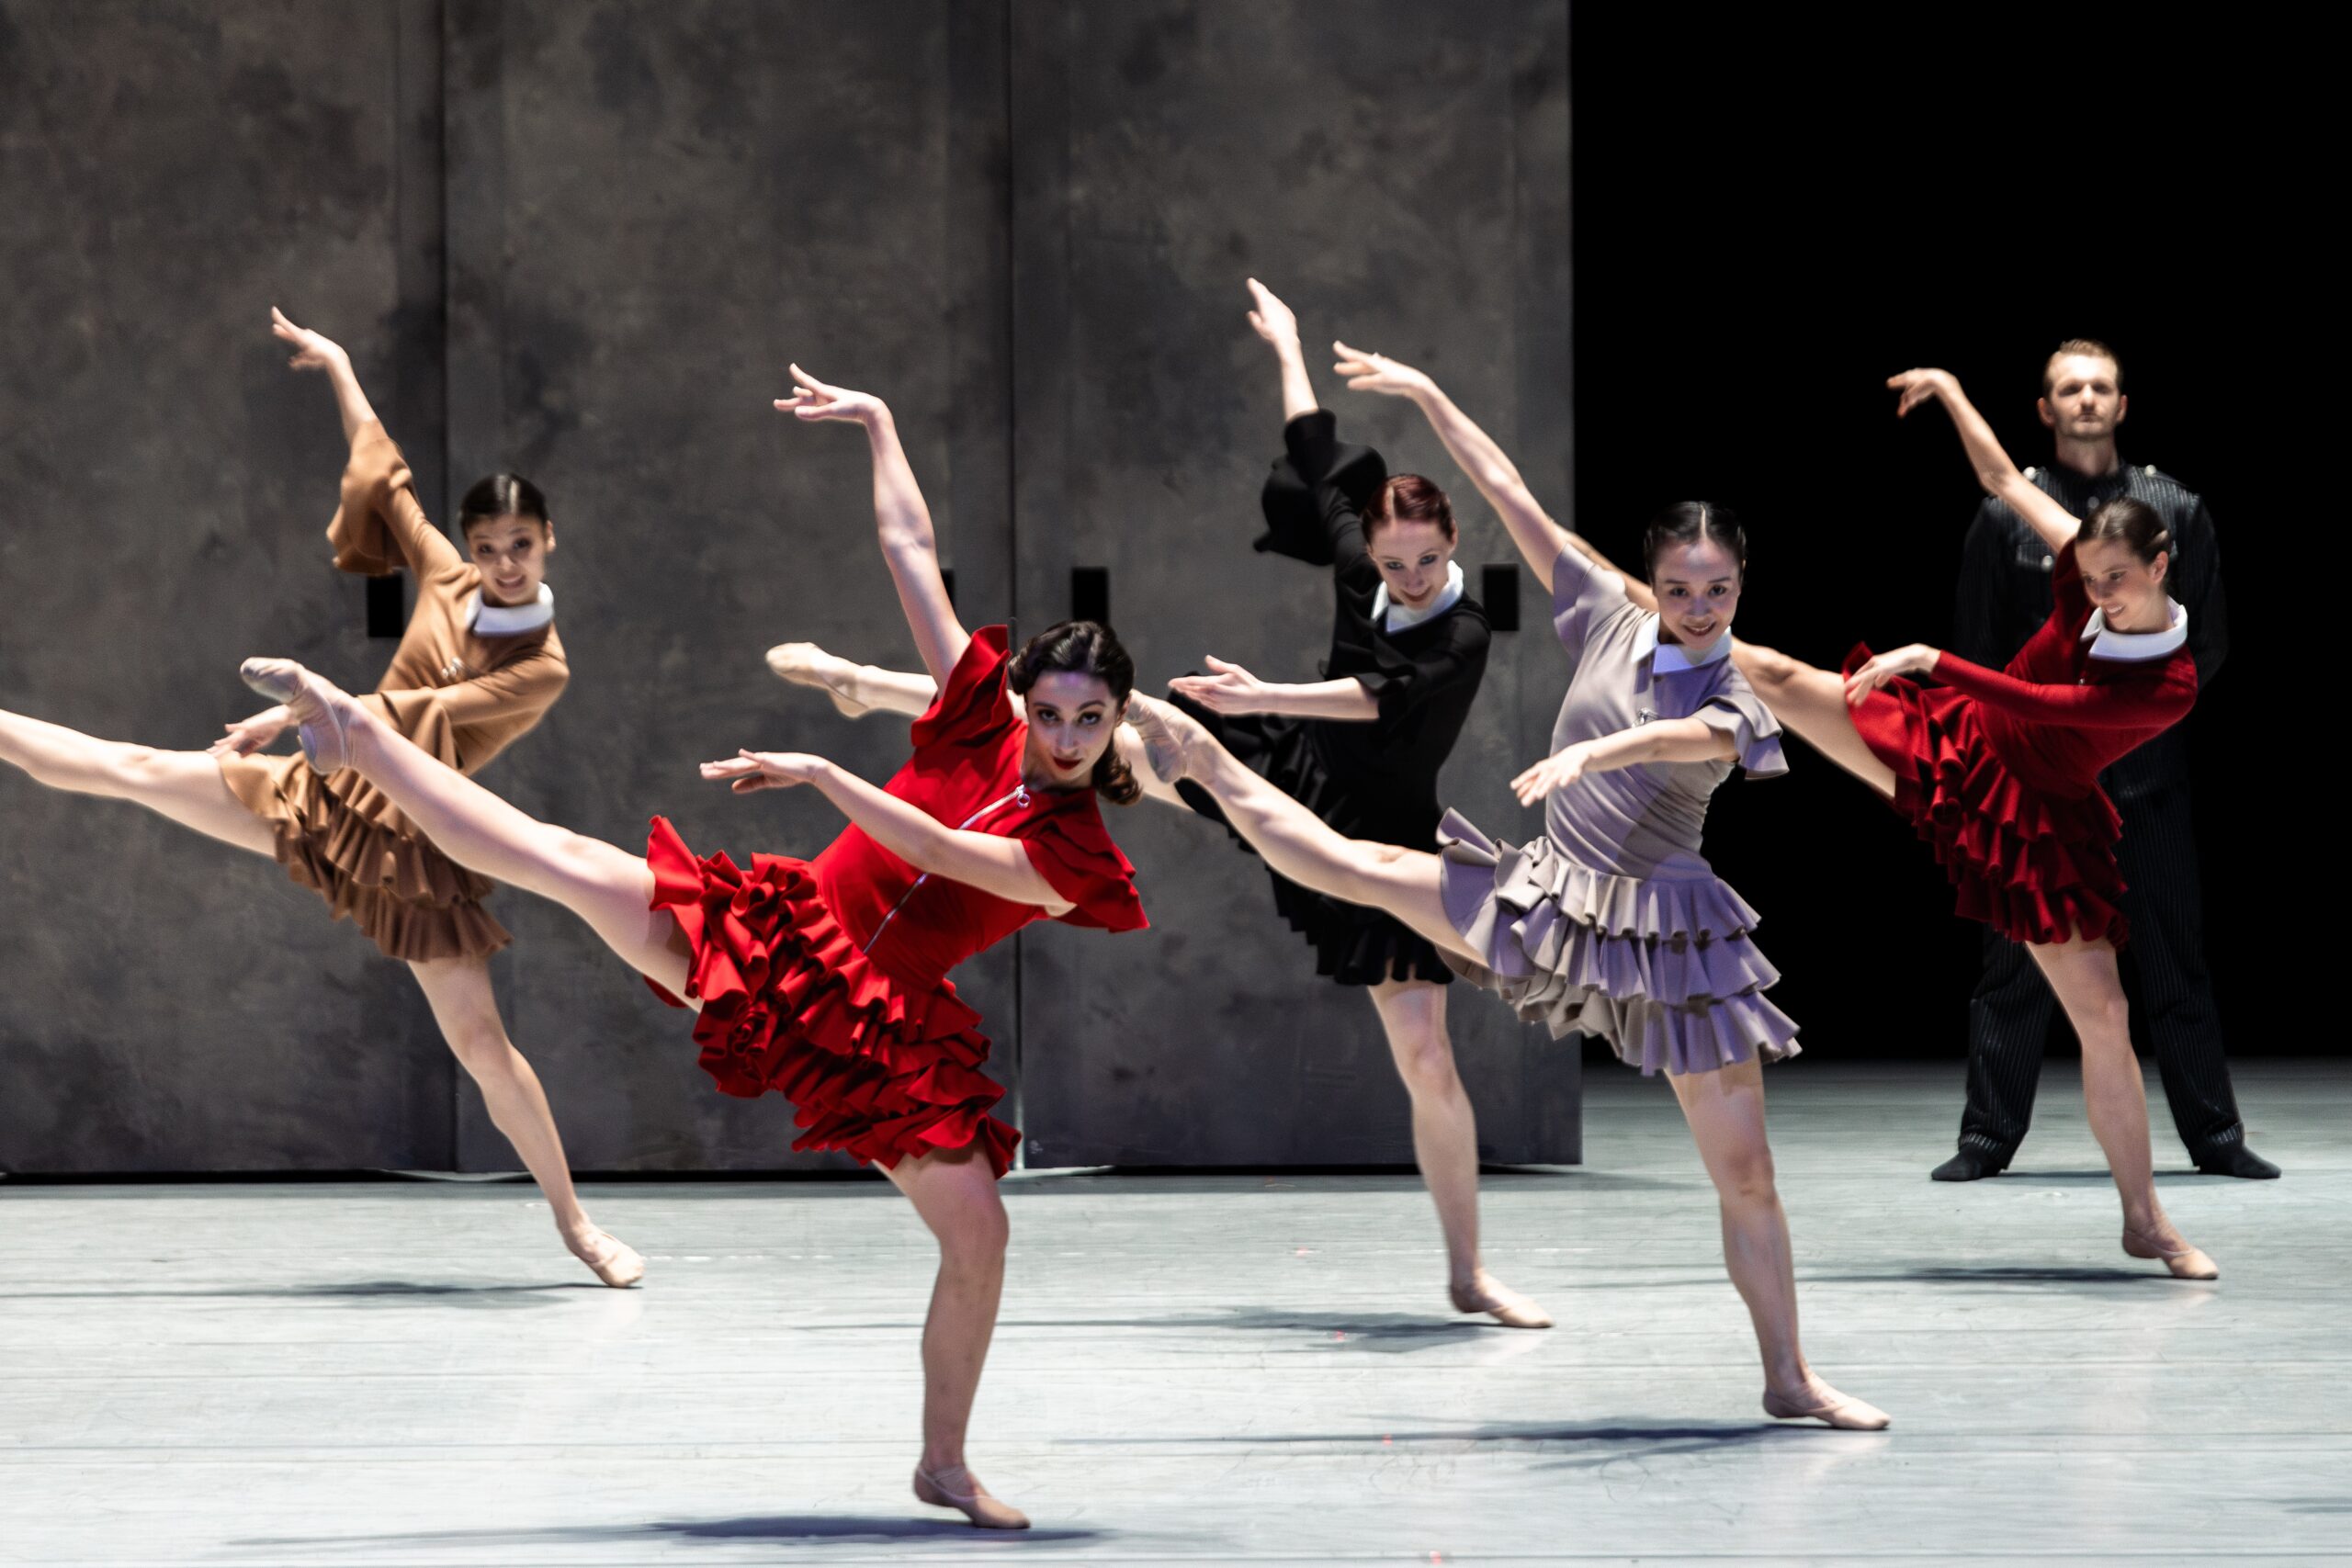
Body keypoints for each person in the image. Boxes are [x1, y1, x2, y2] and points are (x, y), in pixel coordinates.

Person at [236, 365, 1149, 1529]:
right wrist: (879, 425)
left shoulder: (1082, 857)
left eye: (1090, 720)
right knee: (562, 860)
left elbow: (944, 853)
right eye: (1053, 712)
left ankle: (942, 1464)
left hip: (881, 1028)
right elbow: (911, 551)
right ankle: (357, 733)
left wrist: (824, 772)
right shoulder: (980, 709)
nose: (1065, 738)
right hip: (773, 938)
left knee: (980, 1236)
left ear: (1116, 723)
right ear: (1025, 697)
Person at [1119, 344, 1886, 1428]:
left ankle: (1787, 1377)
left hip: (1668, 934)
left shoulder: (1738, 689)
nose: (1698, 606)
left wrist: (1597, 752)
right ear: (1651, 580)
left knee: (1746, 1174)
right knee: (1357, 865)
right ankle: (1206, 761)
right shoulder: (1604, 612)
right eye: (1679, 588)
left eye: (1717, 590)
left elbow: (1692, 738)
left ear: (1740, 586)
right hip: (1551, 898)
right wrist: (1431, 395)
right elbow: (1505, 489)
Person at [772, 280, 1547, 1330]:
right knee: (1104, 723)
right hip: (1285, 771)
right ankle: (869, 682)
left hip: (1378, 830)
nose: (1408, 576)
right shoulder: (1356, 554)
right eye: (1392, 560)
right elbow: (1313, 442)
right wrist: (1286, 345)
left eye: (1428, 560)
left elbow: (1378, 699)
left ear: (1453, 546)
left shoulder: (1462, 632)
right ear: (1370, 546)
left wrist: (1261, 696)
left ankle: (1466, 1273)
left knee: (1426, 1058)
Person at [0, 309, 640, 1288]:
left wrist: (299, 708)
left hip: (415, 841)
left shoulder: (542, 667)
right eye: (488, 545)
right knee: (129, 769)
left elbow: (419, 717)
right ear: (472, 546)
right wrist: (340, 365)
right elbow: (383, 472)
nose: (505, 561)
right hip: (318, 791)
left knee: (481, 1044)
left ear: (549, 541)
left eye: (522, 543)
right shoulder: (446, 578)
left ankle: (576, 1226)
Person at [1728, 367, 2217, 1280]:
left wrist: (1932, 657)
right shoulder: (2088, 560)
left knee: (2105, 1016)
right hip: (1954, 745)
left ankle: (2144, 1220)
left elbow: (2050, 705)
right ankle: (1612, 598)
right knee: (1778, 675)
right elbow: (1998, 477)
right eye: (2087, 577)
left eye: (2115, 580)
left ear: (2160, 568)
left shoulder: (2171, 684)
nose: (2099, 592)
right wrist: (1952, 391)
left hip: (2040, 817)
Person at [1938, 340, 2268, 1182]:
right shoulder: (2007, 516)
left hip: (2143, 772)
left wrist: (2126, 725)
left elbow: (2207, 639)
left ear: (2122, 404)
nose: (2085, 398)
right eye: (2069, 388)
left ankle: (2215, 1135)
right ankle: (1986, 1138)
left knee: (2173, 949)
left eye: (2100, 387)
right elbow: (1977, 641)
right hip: (2036, 779)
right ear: (2045, 408)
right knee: (2015, 959)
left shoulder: (2174, 507)